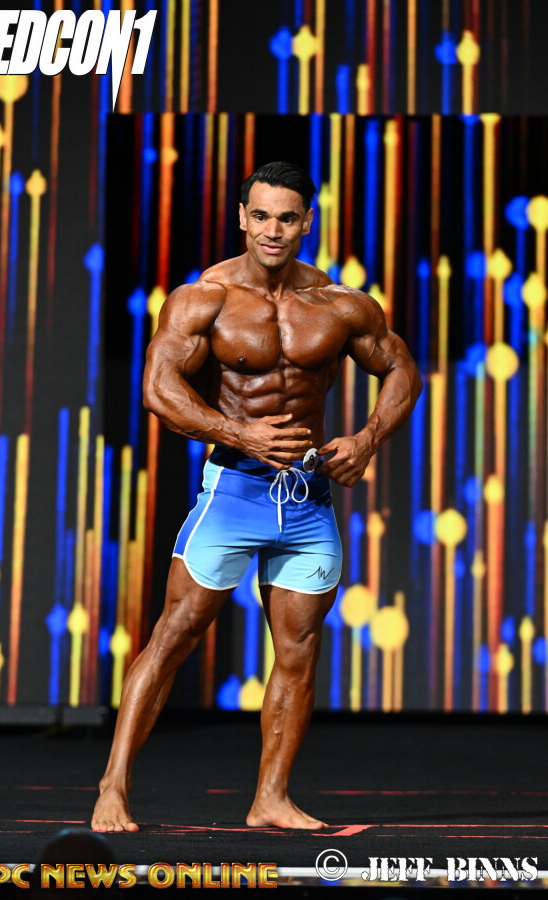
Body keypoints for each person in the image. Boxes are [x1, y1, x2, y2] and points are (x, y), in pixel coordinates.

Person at [91, 161, 423, 833]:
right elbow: (158, 389)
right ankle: (112, 788)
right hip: (234, 493)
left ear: (307, 222)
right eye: (262, 216)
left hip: (307, 500)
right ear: (243, 218)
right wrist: (235, 431)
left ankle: (271, 798)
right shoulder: (204, 298)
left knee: (298, 652)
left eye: (288, 218)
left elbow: (401, 369)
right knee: (174, 635)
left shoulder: (341, 304)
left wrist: (367, 439)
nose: (274, 230)